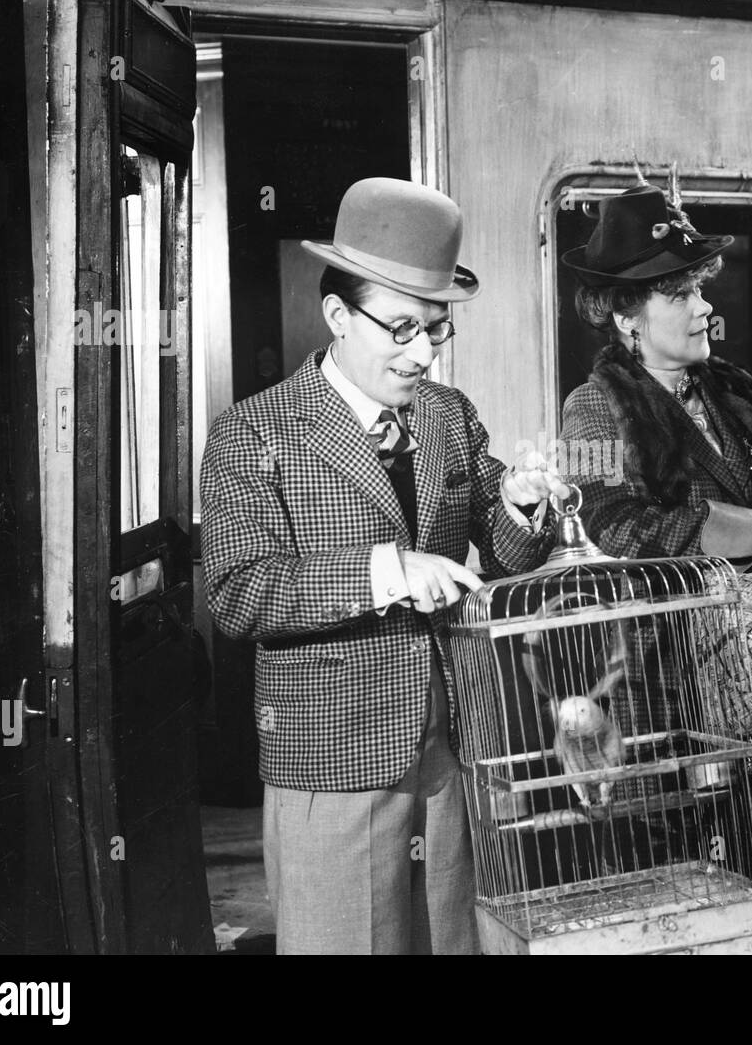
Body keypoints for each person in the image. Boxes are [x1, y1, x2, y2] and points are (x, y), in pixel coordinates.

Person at [200, 177, 566, 954]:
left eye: (436, 330)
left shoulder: (449, 416)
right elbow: (236, 594)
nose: (423, 353)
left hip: (451, 751)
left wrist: (523, 504)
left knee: (456, 943)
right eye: (400, 328)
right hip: (331, 755)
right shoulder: (254, 433)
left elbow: (503, 553)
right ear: (336, 316)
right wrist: (387, 570)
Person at [557, 181, 752, 952]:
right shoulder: (592, 409)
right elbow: (617, 524)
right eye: (679, 292)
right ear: (627, 314)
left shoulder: (733, 393)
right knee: (687, 895)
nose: (704, 306)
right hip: (662, 690)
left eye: (700, 286)